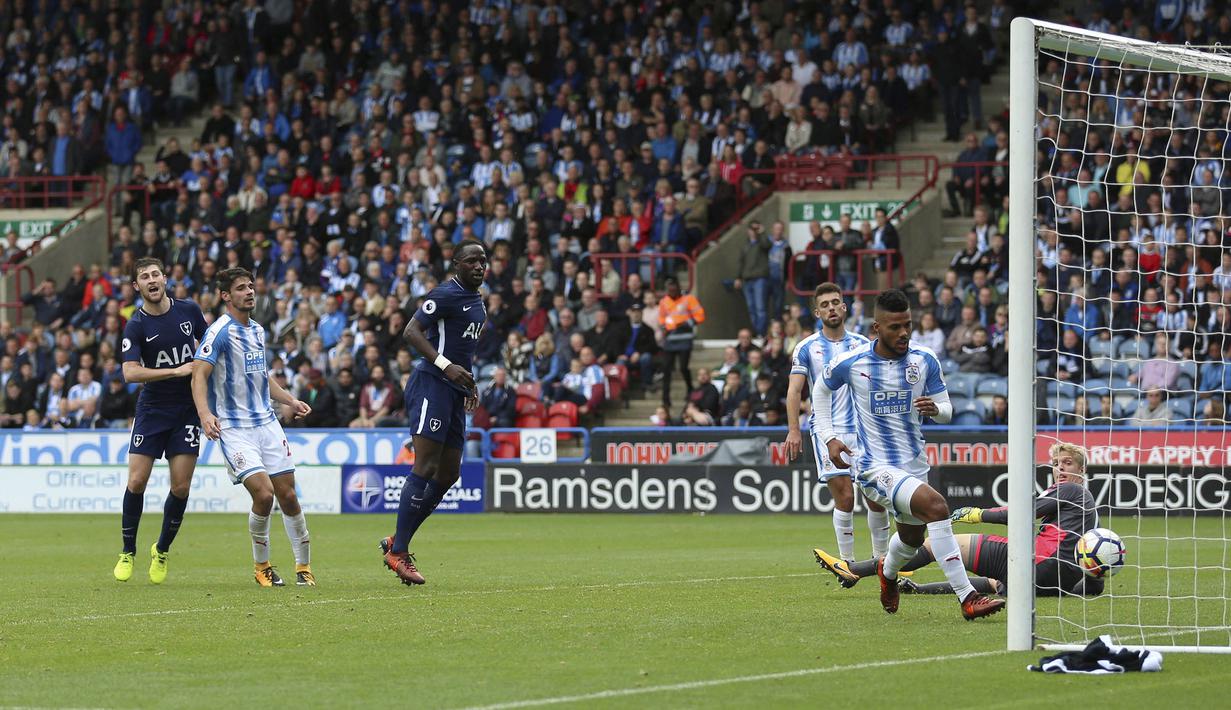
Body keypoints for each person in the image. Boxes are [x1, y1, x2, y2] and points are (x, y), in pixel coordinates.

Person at [811, 289, 1004, 620]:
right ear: (876, 328)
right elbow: (820, 390)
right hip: (874, 468)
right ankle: (967, 597)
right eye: (895, 327)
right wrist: (828, 437)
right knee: (938, 508)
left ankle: (887, 571)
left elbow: (946, 409)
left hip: (914, 466)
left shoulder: (924, 359)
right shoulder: (852, 362)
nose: (903, 333)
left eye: (908, 326)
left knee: (912, 540)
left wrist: (935, 409)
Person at [816, 443, 1104, 598]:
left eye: (1067, 463)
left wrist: (978, 514)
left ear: (1082, 469)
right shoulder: (1090, 508)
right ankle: (917, 589)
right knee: (993, 583)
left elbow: (1021, 514)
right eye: (1056, 464)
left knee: (936, 544)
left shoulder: (1071, 489)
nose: (1060, 468)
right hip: (1055, 583)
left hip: (1035, 564)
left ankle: (853, 569)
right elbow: (1090, 576)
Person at [192, 268, 315, 588]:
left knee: (288, 496)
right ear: (225, 296)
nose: (249, 292)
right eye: (241, 288)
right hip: (234, 428)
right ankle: (263, 567)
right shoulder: (219, 332)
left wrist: (290, 400)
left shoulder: (258, 331)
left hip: (267, 424)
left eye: (251, 286)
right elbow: (199, 375)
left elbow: (262, 377)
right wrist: (205, 414)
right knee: (264, 495)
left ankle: (304, 567)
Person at [380, 240, 487, 585]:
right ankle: (399, 552)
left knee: (449, 474)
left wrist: (469, 383)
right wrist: (445, 366)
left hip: (455, 390)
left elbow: (462, 348)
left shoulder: (476, 302)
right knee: (425, 467)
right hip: (432, 385)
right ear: (456, 264)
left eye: (483, 261)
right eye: (472, 260)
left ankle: (398, 539)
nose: (479, 266)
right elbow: (411, 331)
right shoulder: (445, 294)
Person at [113, 258, 207, 584]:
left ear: (165, 279)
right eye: (144, 277)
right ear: (137, 287)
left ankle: (162, 549)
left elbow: (209, 351)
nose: (151, 280)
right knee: (137, 481)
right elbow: (129, 372)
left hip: (187, 410)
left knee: (180, 486)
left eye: (155, 274)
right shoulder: (135, 325)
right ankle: (127, 551)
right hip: (152, 410)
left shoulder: (189, 311)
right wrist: (176, 370)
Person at [784, 283, 888, 569]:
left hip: (865, 431)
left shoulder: (862, 345)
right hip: (828, 430)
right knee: (844, 495)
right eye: (825, 305)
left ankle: (883, 561)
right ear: (817, 312)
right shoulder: (806, 348)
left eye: (835, 302)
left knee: (876, 496)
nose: (831, 308)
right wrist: (794, 430)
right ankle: (848, 563)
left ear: (844, 307)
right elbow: (794, 391)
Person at [658, 277, 706, 409]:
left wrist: (687, 323)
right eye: (669, 290)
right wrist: (664, 327)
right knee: (667, 369)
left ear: (678, 288)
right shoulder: (664, 301)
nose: (671, 292)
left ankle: (690, 388)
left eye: (674, 289)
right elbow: (662, 318)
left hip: (684, 338)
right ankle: (665, 398)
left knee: (683, 367)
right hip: (670, 339)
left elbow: (700, 315)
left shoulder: (688, 299)